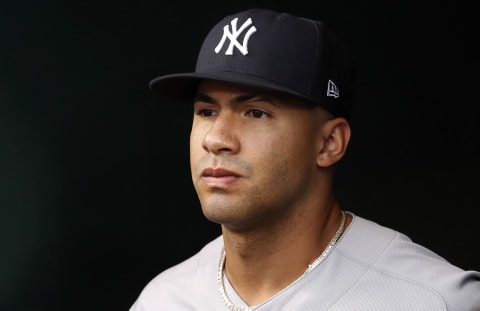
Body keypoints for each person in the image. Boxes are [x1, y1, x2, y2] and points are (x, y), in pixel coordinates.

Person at [129, 8, 480, 311]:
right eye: (206, 111)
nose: (216, 139)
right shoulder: (163, 299)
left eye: (255, 112)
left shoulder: (436, 300)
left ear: (329, 142)